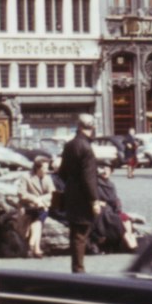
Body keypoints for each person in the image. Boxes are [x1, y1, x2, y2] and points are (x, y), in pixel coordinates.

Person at [58, 115, 101, 273]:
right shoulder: (86, 148)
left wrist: (71, 184)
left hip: (71, 194)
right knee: (81, 235)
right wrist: (94, 200)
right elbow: (88, 178)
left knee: (75, 233)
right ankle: (79, 270)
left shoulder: (69, 145)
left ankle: (76, 267)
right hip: (83, 197)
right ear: (91, 127)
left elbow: (62, 172)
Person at [88, 165, 139, 255]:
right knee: (117, 220)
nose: (105, 172)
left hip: (111, 209)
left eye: (108, 170)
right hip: (101, 210)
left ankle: (132, 244)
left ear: (111, 172)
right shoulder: (95, 183)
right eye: (103, 169)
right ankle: (131, 245)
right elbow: (93, 198)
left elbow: (115, 199)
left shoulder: (111, 184)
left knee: (126, 219)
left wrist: (117, 207)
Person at [19, 156, 54, 257]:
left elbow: (53, 193)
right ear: (38, 168)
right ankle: (36, 248)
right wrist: (34, 199)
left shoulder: (47, 178)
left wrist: (41, 199)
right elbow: (21, 193)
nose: (47, 170)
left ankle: (33, 244)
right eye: (45, 168)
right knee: (39, 219)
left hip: (42, 205)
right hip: (28, 206)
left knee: (40, 215)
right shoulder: (26, 177)